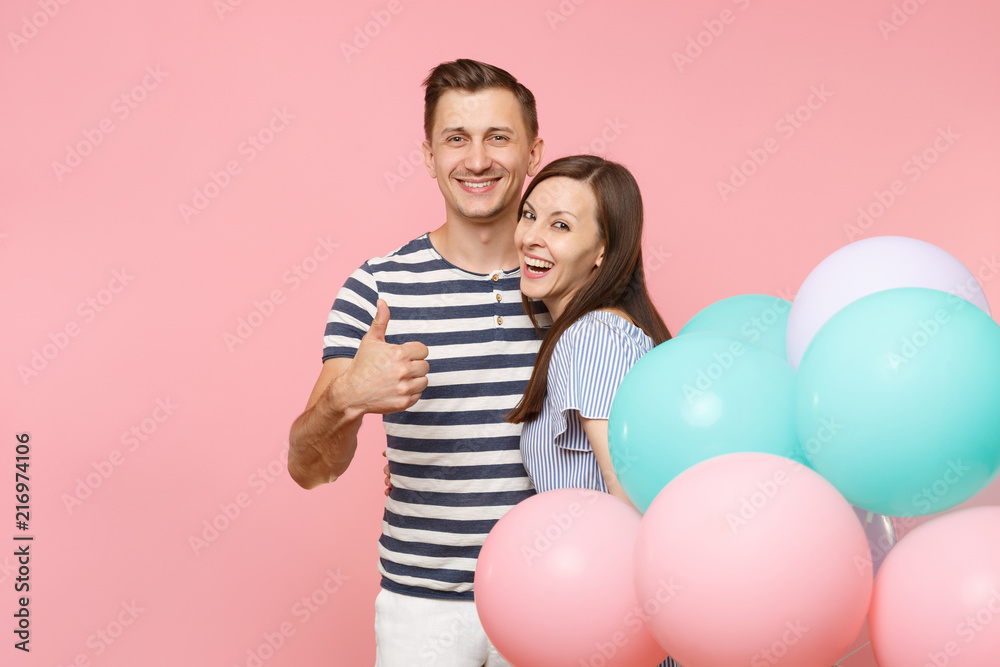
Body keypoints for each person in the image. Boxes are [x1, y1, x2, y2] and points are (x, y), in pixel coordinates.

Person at [287, 59, 547, 667]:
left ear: (534, 151)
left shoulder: (572, 284)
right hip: (422, 610)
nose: (477, 160)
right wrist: (347, 397)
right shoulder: (376, 288)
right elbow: (308, 468)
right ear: (429, 154)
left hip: (555, 593)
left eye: (498, 137)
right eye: (456, 138)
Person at [506, 155, 681, 667]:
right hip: (602, 617)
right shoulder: (599, 331)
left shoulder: (593, 337)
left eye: (560, 225)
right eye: (530, 215)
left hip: (617, 621)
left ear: (603, 251)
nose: (532, 237)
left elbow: (628, 490)